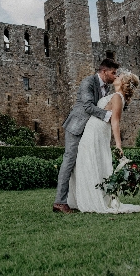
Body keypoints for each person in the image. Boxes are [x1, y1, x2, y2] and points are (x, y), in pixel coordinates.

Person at [67, 70, 140, 214]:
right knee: (85, 161)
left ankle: (93, 199)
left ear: (123, 82)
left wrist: (118, 145)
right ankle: (85, 198)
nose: (116, 77)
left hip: (97, 131)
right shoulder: (115, 96)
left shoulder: (117, 97)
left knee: (90, 160)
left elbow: (115, 122)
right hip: (93, 129)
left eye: (119, 76)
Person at [53, 58, 119, 214]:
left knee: (85, 165)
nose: (115, 76)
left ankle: (81, 199)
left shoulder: (107, 88)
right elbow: (88, 106)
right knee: (69, 162)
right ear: (104, 71)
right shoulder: (87, 82)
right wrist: (108, 116)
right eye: (113, 73)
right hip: (76, 128)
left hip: (91, 130)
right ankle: (59, 202)